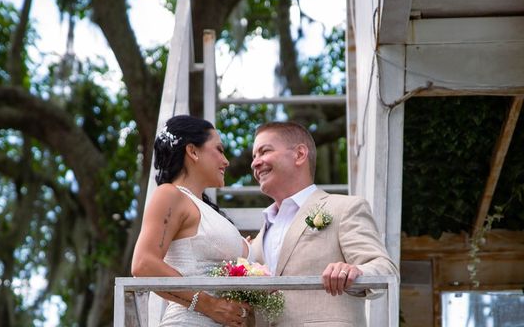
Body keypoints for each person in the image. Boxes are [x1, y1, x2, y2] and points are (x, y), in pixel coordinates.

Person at [249, 121, 399, 326]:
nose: (255, 163)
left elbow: (385, 269)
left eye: (264, 151)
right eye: (254, 156)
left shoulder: (345, 208)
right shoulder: (259, 238)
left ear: (300, 154)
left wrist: (354, 272)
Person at [131, 115, 251, 327]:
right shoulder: (169, 194)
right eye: (219, 150)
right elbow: (143, 264)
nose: (226, 161)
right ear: (193, 151)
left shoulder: (205, 208)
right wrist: (210, 305)